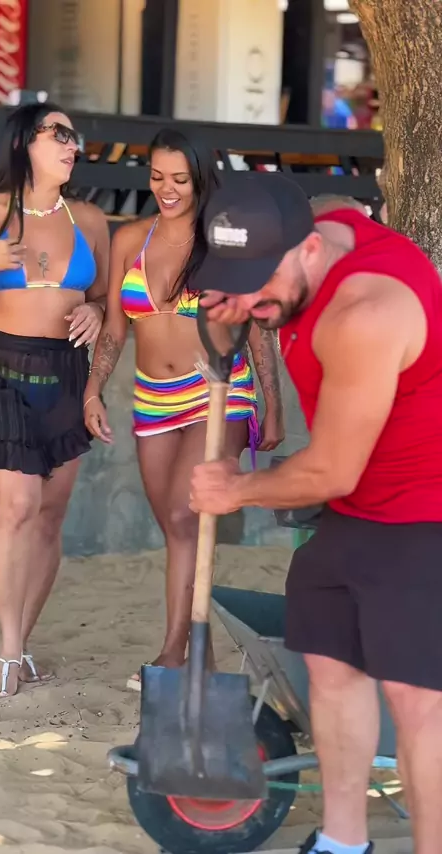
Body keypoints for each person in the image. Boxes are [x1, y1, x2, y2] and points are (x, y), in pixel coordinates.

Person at [189, 173, 442, 854]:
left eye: (258, 282)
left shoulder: (365, 313)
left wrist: (235, 490)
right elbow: (336, 204)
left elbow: (331, 471)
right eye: (235, 280)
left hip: (426, 507)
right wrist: (230, 312)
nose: (249, 302)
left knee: (416, 699)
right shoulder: (322, 222)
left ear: (308, 249)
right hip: (359, 506)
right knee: (328, 665)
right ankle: (342, 842)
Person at [83, 130, 284, 690]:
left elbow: (256, 327)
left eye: (179, 179)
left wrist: (273, 404)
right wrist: (93, 388)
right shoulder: (131, 239)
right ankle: (199, 650)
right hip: (152, 396)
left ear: (200, 179)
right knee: (175, 528)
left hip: (218, 390)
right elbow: (114, 329)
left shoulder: (223, 238)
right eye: (156, 177)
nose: (166, 189)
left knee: (183, 513)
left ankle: (175, 651)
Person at [0, 102, 109, 698]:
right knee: (19, 504)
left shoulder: (90, 219)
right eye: (60, 135)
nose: (73, 146)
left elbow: (107, 299)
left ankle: (21, 645)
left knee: (50, 514)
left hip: (66, 370)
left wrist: (96, 309)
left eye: (75, 138)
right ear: (25, 142)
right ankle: (5, 651)